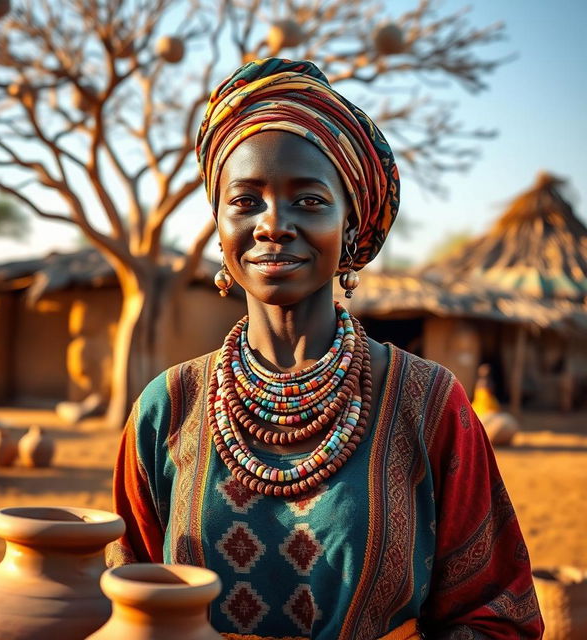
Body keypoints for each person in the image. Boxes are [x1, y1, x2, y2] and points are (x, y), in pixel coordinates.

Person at [108, 58, 543, 640]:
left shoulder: (429, 403)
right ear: (219, 226)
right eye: (245, 200)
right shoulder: (168, 407)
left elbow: (498, 614)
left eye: (309, 201)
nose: (272, 225)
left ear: (352, 228)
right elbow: (123, 599)